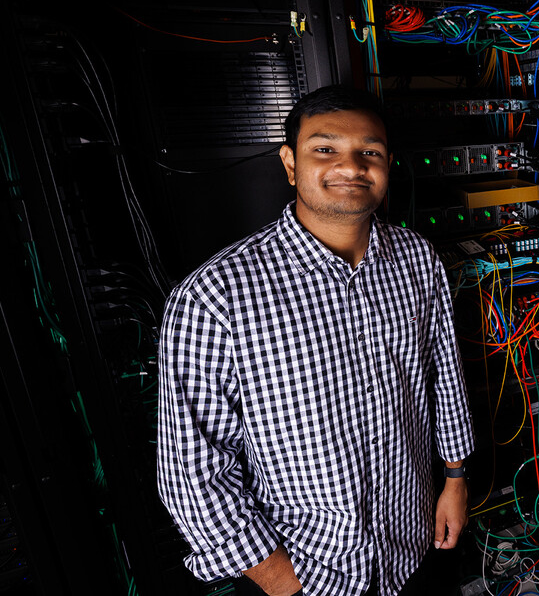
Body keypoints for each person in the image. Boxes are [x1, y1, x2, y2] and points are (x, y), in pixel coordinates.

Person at [157, 85, 474, 596]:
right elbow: (192, 471)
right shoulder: (216, 295)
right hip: (306, 572)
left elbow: (445, 378)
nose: (350, 167)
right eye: (324, 149)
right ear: (289, 163)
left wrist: (455, 479)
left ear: (388, 164)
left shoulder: (418, 260)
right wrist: (282, 583)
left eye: (368, 152)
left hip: (413, 549)